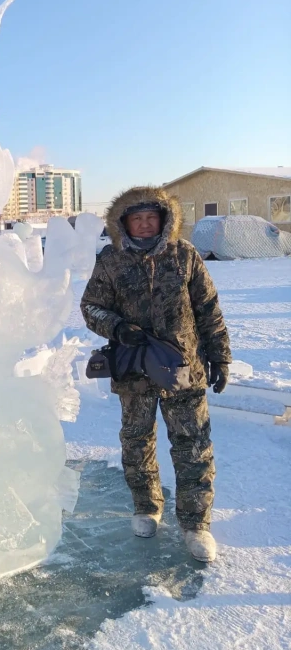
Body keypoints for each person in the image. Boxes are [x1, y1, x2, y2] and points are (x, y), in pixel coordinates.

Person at [80, 186, 231, 562]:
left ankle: (196, 524)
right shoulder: (111, 260)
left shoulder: (185, 255)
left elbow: (208, 309)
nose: (145, 224)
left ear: (164, 220)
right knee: (136, 442)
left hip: (183, 370)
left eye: (151, 217)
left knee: (193, 446)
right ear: (124, 223)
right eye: (137, 218)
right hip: (133, 371)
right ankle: (146, 507)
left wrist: (220, 358)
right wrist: (118, 328)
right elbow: (91, 306)